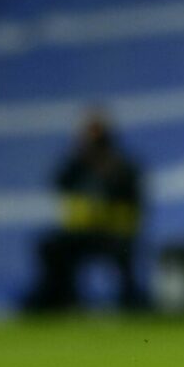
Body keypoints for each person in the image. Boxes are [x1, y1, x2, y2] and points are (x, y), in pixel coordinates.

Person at [22, 111, 146, 310]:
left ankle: (130, 298)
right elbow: (59, 182)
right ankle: (60, 296)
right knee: (50, 246)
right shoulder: (77, 166)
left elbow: (136, 206)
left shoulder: (124, 167)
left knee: (124, 250)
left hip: (113, 232)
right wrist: (79, 157)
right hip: (82, 232)